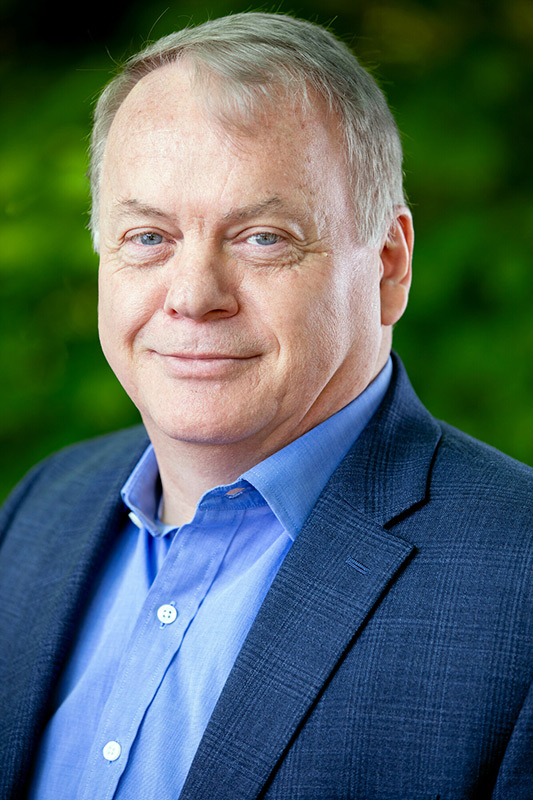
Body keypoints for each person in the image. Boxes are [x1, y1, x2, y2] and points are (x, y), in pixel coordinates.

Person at [0, 11, 531, 800]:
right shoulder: (41, 509)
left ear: (388, 266)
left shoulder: (517, 579)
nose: (193, 296)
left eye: (263, 238)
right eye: (148, 237)